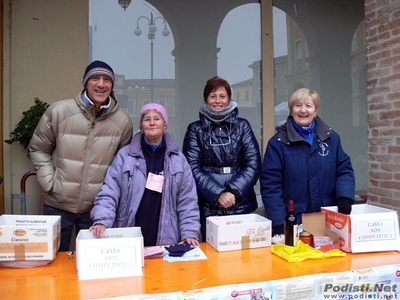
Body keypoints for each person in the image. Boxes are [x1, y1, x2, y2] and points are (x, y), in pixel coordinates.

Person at [28, 60, 133, 251]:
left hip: (97, 210)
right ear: (85, 82)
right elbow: (38, 148)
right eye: (95, 78)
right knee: (53, 265)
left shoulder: (123, 121)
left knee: (93, 268)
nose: (101, 84)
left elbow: (122, 165)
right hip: (57, 206)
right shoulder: (59, 111)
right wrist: (49, 182)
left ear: (112, 86)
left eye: (107, 80)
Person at [90, 103, 200, 247]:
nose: (152, 123)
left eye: (157, 118)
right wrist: (102, 220)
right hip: (129, 236)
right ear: (141, 126)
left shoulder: (179, 160)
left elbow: (187, 201)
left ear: (165, 125)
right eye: (147, 119)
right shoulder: (125, 156)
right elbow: (110, 191)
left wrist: (190, 232)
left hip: (166, 238)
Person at [260, 88, 355, 236]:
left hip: (328, 219)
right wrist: (278, 222)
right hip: (294, 221)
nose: (303, 110)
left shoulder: (331, 139)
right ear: (292, 110)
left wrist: (345, 197)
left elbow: (344, 170)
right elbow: (271, 184)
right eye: (298, 105)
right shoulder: (278, 142)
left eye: (308, 106)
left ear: (315, 111)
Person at [183, 76, 261, 241]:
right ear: (206, 99)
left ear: (229, 99)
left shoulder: (243, 126)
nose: (217, 101)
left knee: (243, 257)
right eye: (213, 96)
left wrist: (232, 192)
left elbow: (253, 164)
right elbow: (192, 169)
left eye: (222, 96)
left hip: (241, 204)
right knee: (211, 259)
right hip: (209, 206)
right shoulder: (195, 130)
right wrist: (217, 194)